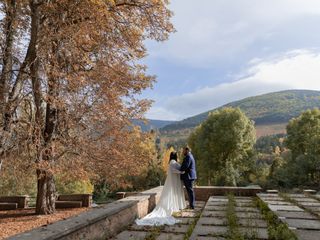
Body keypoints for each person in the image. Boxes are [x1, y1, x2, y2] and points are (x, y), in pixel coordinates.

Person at [135, 151, 186, 226]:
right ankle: (171, 207)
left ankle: (174, 205)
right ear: (175, 156)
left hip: (174, 181)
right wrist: (180, 172)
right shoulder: (172, 162)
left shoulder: (172, 161)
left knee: (172, 193)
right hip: (173, 181)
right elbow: (173, 170)